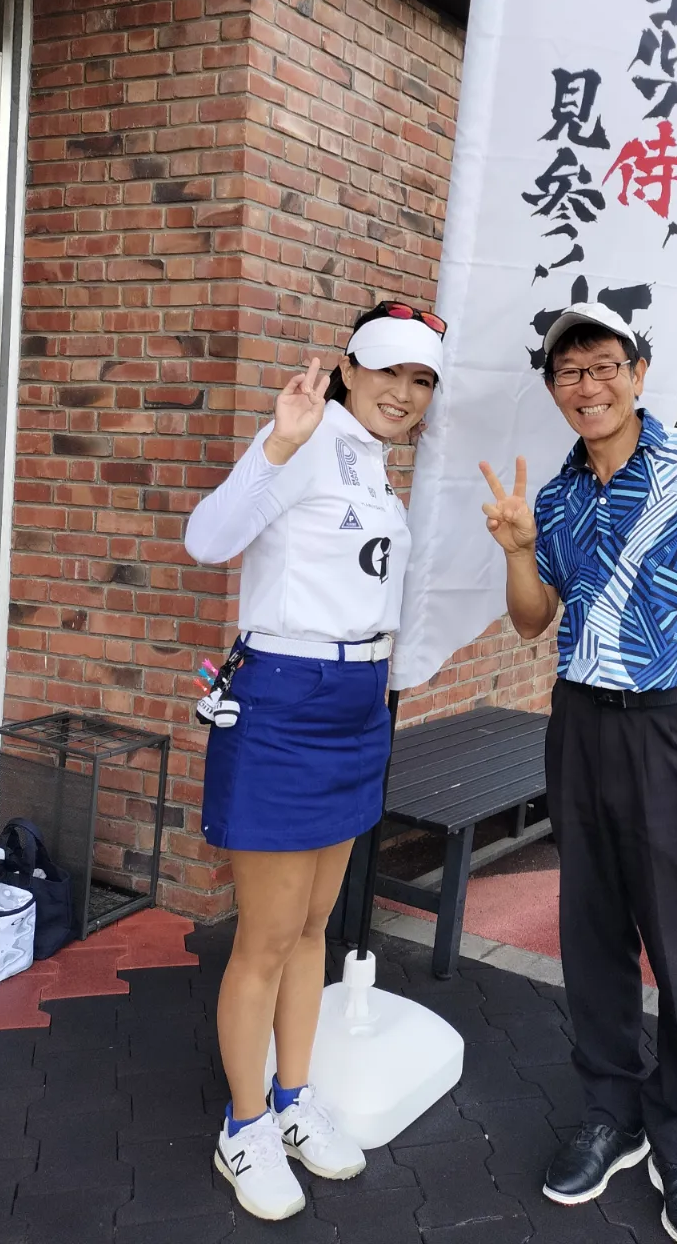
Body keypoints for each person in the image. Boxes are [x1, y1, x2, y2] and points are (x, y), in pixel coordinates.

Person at [480, 302, 677, 1244]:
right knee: (593, 929)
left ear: (640, 372)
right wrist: (519, 552)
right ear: (554, 388)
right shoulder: (557, 496)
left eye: (605, 365)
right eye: (570, 372)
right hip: (581, 726)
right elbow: (533, 620)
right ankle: (609, 1113)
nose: (589, 386)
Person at [184, 300, 447, 1223]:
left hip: (356, 704)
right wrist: (277, 446)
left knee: (312, 929)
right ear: (349, 368)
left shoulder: (376, 466)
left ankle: (293, 1098)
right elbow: (207, 541)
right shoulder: (302, 438)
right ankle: (245, 1122)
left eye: (421, 380)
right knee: (265, 935)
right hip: (284, 699)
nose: (403, 393)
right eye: (389, 371)